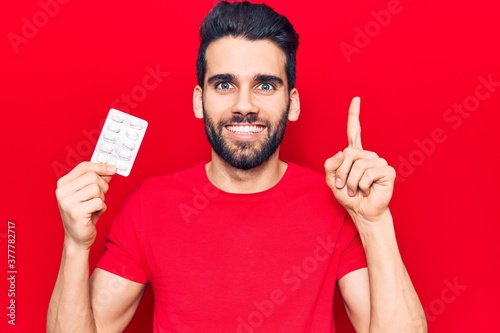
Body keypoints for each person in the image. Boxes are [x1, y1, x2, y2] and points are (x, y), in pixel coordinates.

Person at [47, 1, 427, 332]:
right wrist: (76, 246)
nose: (244, 105)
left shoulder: (335, 207)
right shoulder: (151, 208)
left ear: (292, 103)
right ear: (199, 100)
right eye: (224, 84)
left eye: (265, 85)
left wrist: (375, 223)